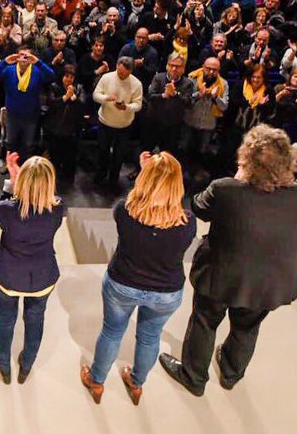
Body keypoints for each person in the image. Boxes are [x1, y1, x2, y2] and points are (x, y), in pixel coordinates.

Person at [158, 125, 297, 396]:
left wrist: (238, 180)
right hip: (271, 282)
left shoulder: (225, 189)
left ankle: (194, 376)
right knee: (247, 326)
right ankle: (232, 373)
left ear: (246, 159)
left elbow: (198, 207)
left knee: (205, 321)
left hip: (221, 276)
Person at [81, 151, 196, 405]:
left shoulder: (125, 212)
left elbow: (137, 203)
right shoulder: (187, 222)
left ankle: (97, 380)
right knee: (150, 337)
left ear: (144, 180)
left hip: (123, 284)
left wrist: (145, 173)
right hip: (166, 293)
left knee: (112, 332)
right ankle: (136, 382)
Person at [0, 152, 65, 385]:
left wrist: (12, 184)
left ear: (22, 182)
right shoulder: (58, 209)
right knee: (36, 319)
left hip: (9, 276)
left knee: (5, 318)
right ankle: (27, 364)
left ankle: (4, 364)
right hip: (43, 277)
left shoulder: (7, 211)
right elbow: (47, 200)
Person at [0, 47, 55, 159]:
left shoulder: (37, 71)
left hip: (31, 116)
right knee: (11, 142)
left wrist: (38, 62)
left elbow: (52, 76)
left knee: (28, 144)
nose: (23, 58)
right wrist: (5, 62)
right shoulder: (9, 70)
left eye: (27, 56)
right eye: (21, 55)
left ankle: (25, 167)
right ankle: (10, 164)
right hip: (12, 115)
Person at [91, 56, 144, 187]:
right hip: (105, 122)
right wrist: (106, 98)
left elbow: (138, 105)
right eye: (119, 72)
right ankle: (100, 175)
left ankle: (113, 180)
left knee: (118, 156)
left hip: (124, 126)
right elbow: (95, 95)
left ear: (130, 71)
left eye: (124, 74)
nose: (120, 75)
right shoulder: (107, 77)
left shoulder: (136, 84)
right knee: (102, 151)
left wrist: (127, 107)